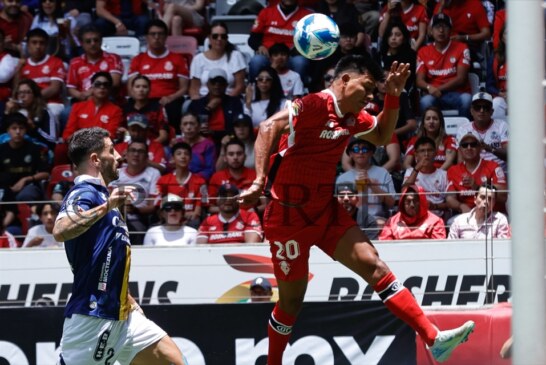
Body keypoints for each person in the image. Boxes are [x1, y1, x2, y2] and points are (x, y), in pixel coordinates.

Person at [238, 55, 474, 364]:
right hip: (288, 219)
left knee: (374, 264)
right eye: (367, 87)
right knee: (291, 302)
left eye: (374, 92)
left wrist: (392, 96)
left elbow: (380, 135)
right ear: (346, 80)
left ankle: (433, 338)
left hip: (326, 211)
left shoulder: (353, 117)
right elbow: (269, 126)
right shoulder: (313, 104)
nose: (370, 96)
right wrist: (258, 180)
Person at [52, 127, 187, 364]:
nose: (118, 157)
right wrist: (107, 206)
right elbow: (60, 230)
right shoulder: (84, 192)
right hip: (93, 317)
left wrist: (129, 299)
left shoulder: (105, 198)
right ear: (95, 159)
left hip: (124, 314)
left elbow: (110, 256)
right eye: (112, 151)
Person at [128, 19, 189, 131]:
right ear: (146, 37)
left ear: (166, 37)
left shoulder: (178, 59)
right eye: (153, 34)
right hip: (144, 100)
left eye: (160, 34)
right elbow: (130, 87)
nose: (156, 37)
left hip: (169, 101)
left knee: (174, 108)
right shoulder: (138, 60)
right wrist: (142, 100)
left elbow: (184, 88)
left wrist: (170, 97)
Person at [416, 13, 472, 118]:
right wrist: (429, 87)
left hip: (457, 93)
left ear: (450, 30)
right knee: (425, 101)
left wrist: (438, 89)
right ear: (431, 31)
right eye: (437, 27)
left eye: (445, 26)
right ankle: (428, 134)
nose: (441, 30)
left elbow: (461, 79)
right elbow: (419, 81)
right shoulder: (423, 51)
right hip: (434, 95)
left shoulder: (462, 47)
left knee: (467, 100)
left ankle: (464, 132)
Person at [247, 0, 312, 83]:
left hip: (291, 56)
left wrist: (300, 48)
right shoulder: (266, 12)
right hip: (268, 56)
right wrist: (259, 46)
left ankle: (299, 93)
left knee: (300, 62)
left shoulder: (307, 15)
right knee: (257, 61)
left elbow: (312, 40)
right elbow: (253, 38)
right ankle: (253, 91)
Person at [336, 138, 396, 227]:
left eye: (364, 149)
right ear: (351, 154)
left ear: (371, 153)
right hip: (351, 220)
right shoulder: (343, 178)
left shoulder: (383, 173)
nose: (360, 152)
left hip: (377, 220)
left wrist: (371, 184)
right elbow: (338, 208)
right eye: (356, 149)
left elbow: (392, 203)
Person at [446, 130, 507, 216]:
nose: (469, 147)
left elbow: (503, 196)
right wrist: (461, 206)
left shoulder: (493, 166)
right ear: (459, 150)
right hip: (466, 215)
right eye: (464, 145)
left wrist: (477, 186)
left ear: (480, 148)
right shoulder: (453, 170)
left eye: (473, 144)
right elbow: (450, 198)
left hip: (492, 215)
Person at [111, 138, 160, 246]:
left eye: (140, 151)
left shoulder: (153, 173)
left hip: (139, 218)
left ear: (147, 157)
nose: (136, 154)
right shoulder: (115, 173)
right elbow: (106, 198)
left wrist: (135, 210)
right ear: (126, 155)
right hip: (113, 217)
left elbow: (153, 206)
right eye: (133, 150)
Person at [189, 21, 247, 100]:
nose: (219, 39)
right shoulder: (198, 59)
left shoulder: (235, 56)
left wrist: (222, 102)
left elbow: (240, 86)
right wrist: (200, 106)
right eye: (215, 36)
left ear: (227, 39)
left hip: (229, 101)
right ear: (209, 38)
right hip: (204, 101)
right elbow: (194, 89)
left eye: (223, 36)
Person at [61, 72, 123, 146]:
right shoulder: (77, 107)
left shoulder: (116, 110)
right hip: (78, 147)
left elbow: (110, 135)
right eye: (98, 84)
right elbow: (68, 133)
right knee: (60, 149)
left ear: (109, 89)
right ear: (92, 87)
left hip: (100, 147)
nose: (102, 87)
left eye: (105, 85)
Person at [66, 25, 123, 102]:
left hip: (106, 99)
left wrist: (90, 93)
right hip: (83, 101)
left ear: (101, 41)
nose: (92, 44)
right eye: (88, 41)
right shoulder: (75, 62)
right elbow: (71, 88)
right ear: (81, 43)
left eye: (96, 40)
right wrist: (80, 96)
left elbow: (114, 82)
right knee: (65, 113)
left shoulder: (113, 58)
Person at [156, 142, 207, 229]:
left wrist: (192, 215)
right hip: (170, 217)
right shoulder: (163, 180)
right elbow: (158, 206)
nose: (183, 157)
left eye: (186, 154)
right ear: (172, 158)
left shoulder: (200, 181)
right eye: (179, 154)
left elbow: (197, 212)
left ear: (190, 158)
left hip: (191, 221)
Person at [19, 28, 66, 121]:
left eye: (41, 43)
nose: (38, 46)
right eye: (34, 42)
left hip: (51, 103)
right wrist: (18, 69)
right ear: (28, 45)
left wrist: (33, 98)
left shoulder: (56, 62)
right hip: (28, 104)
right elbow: (18, 89)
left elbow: (54, 89)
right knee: (19, 115)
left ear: (47, 45)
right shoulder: (23, 65)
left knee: (50, 113)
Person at [188, 67, 244, 145]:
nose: (217, 85)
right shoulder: (196, 104)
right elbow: (192, 125)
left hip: (227, 141)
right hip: (201, 142)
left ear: (226, 85)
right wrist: (208, 108)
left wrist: (214, 133)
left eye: (221, 83)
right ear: (207, 84)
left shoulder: (234, 103)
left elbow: (237, 127)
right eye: (213, 82)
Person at [455, 92, 508, 173]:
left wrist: (490, 149)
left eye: (486, 107)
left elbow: (509, 155)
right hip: (474, 173)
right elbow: (461, 160)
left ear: (492, 111)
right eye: (477, 107)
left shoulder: (502, 126)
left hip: (498, 172)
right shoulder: (463, 129)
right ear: (471, 111)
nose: (482, 110)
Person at [197, 183, 263, 244]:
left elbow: (251, 245)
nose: (228, 199)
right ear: (217, 200)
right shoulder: (208, 221)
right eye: (224, 196)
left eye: (232, 197)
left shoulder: (250, 216)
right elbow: (200, 249)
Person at [3, 79, 58, 152]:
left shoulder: (45, 113)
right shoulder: (12, 111)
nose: (22, 96)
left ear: (35, 95)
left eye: (27, 92)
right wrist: (6, 113)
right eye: (20, 92)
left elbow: (52, 140)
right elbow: (3, 135)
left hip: (36, 149)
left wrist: (34, 128)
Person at [402, 136, 449, 219]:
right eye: (422, 151)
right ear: (416, 154)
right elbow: (404, 192)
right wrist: (416, 169)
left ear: (435, 153)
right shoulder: (410, 172)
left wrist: (435, 206)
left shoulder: (444, 175)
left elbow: (450, 203)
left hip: (437, 216)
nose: (426, 154)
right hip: (415, 216)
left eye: (430, 150)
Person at [379, 184, 446, 240]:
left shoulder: (435, 222)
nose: (412, 205)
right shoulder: (392, 221)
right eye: (408, 201)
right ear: (402, 203)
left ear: (421, 202)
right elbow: (385, 244)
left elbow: (438, 247)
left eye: (415, 201)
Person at [404, 106, 456, 171]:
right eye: (428, 119)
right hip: (420, 176)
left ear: (440, 123)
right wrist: (416, 174)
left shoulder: (449, 139)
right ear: (423, 124)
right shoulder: (414, 140)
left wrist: (436, 175)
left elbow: (449, 162)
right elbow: (406, 164)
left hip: (442, 175)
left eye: (435, 119)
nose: (431, 121)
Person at [123, 74, 170, 146]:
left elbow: (163, 136)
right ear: (132, 89)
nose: (141, 90)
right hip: (130, 147)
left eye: (144, 87)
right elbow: (123, 133)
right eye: (137, 87)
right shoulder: (126, 108)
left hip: (153, 145)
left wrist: (146, 147)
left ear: (149, 89)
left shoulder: (157, 108)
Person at [374, 20, 416, 91]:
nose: (393, 38)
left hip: (401, 90)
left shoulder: (410, 55)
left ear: (404, 38)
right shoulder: (380, 54)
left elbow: (409, 79)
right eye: (390, 35)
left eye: (398, 35)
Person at [176, 111, 216, 181]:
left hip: (199, 182)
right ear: (181, 127)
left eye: (192, 124)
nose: (188, 127)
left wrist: (191, 179)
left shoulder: (208, 144)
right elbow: (169, 166)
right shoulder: (176, 143)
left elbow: (210, 170)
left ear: (199, 126)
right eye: (185, 124)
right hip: (178, 181)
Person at [486, 24, 507, 121]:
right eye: (507, 33)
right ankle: (498, 134)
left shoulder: (527, 56)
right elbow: (489, 85)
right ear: (502, 38)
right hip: (502, 96)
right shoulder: (495, 58)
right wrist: (500, 93)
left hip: (522, 96)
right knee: (496, 103)